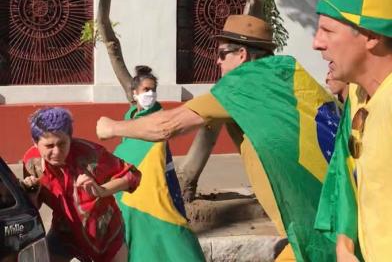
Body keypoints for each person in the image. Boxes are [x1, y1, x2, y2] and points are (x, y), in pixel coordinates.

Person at [97, 14, 339, 261]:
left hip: (317, 230)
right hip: (337, 206)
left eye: (223, 54)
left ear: (242, 55)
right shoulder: (289, 73)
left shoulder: (244, 83)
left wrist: (112, 127)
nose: (217, 61)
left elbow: (166, 127)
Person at [313, 0, 392, 261]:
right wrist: (345, 242)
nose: (317, 44)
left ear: (371, 37)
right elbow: (346, 174)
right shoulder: (360, 94)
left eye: (328, 32)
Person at [22, 107, 141, 262]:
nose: (57, 152)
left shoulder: (91, 155)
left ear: (70, 138)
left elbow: (132, 175)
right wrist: (32, 194)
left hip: (104, 234)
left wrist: (101, 191)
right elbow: (33, 207)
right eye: (49, 146)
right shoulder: (31, 163)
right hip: (65, 234)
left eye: (62, 143)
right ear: (35, 143)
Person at [113, 66, 204, 262]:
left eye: (153, 90)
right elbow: (127, 153)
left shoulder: (160, 120)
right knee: (136, 234)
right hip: (130, 192)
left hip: (160, 185)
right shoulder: (129, 119)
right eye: (146, 90)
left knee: (171, 230)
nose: (150, 94)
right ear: (134, 93)